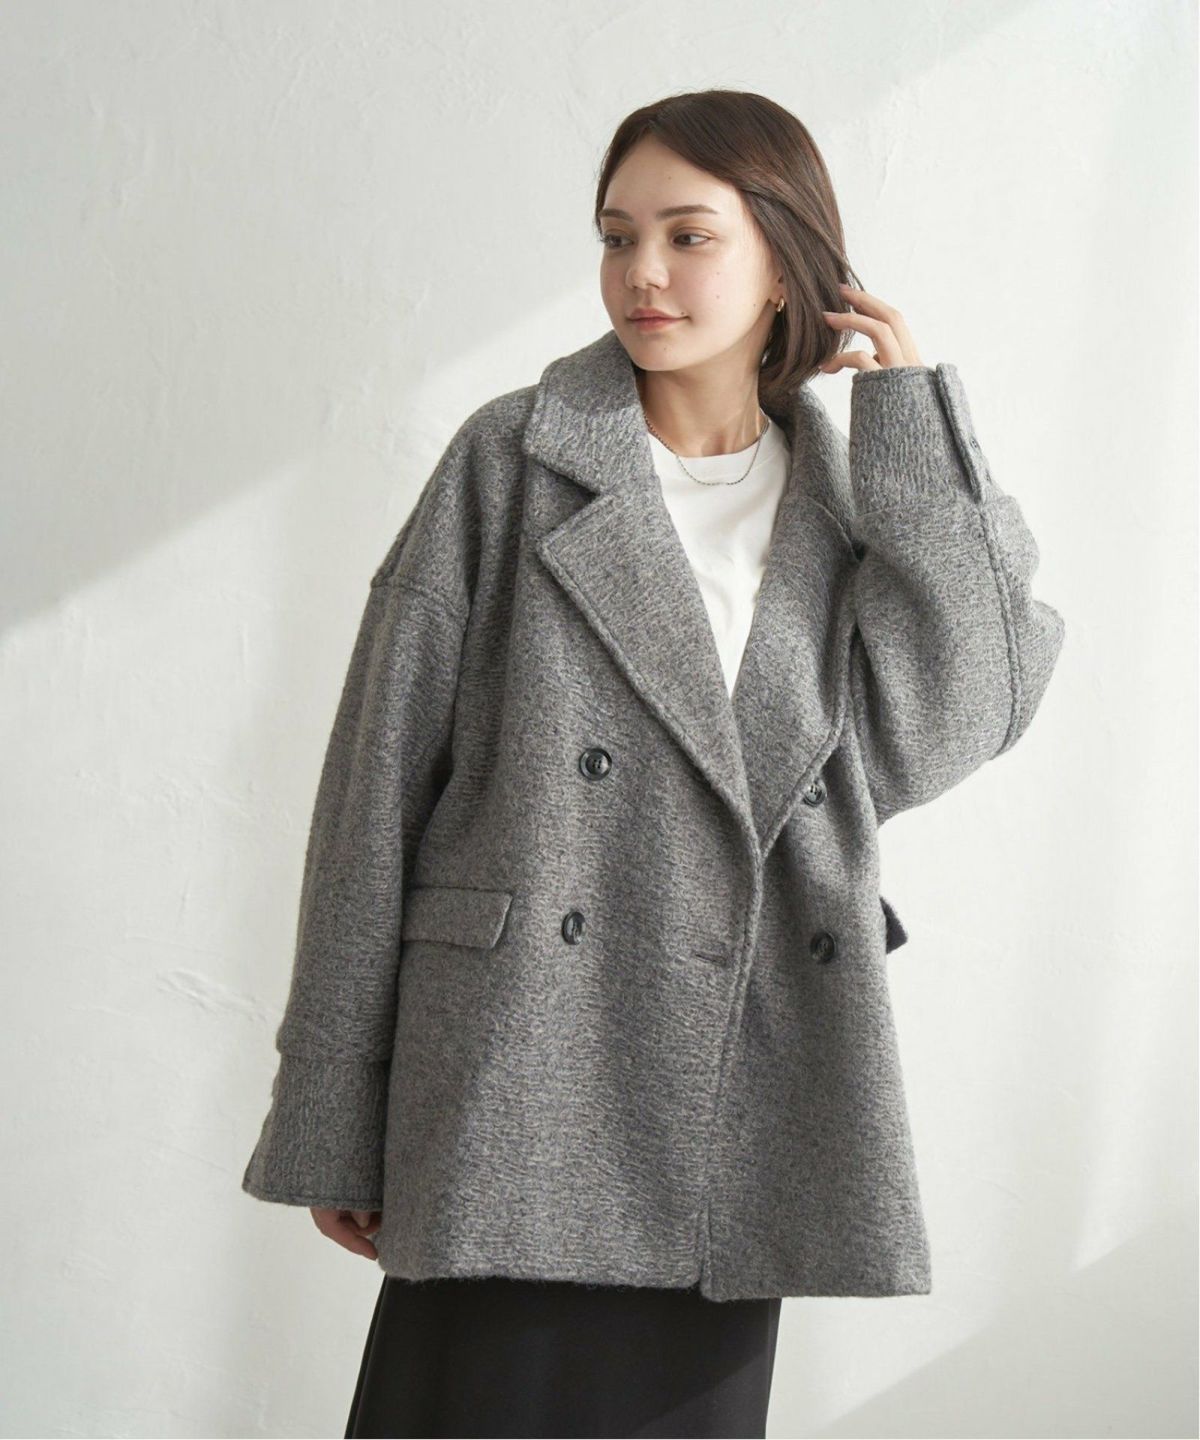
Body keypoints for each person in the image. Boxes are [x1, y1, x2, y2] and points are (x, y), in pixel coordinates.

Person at [242, 89, 1065, 1440]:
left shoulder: (849, 508)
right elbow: (373, 792)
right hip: (517, 1071)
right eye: (617, 236)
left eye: (690, 236)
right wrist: (337, 1099)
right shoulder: (514, 460)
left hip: (735, 1093)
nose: (643, 274)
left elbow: (965, 708)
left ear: (787, 262)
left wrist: (915, 426)